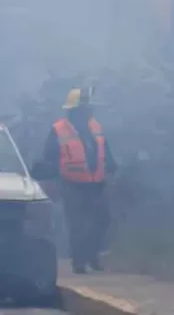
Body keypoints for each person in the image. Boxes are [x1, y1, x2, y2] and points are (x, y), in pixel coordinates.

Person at [39, 87, 117, 274]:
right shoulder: (58, 129)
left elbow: (104, 149)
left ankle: (93, 255)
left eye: (89, 108)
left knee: (101, 220)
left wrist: (112, 165)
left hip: (96, 183)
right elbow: (49, 156)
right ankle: (79, 261)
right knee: (78, 223)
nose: (88, 112)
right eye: (84, 109)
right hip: (72, 183)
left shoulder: (95, 127)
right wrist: (52, 179)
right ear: (73, 110)